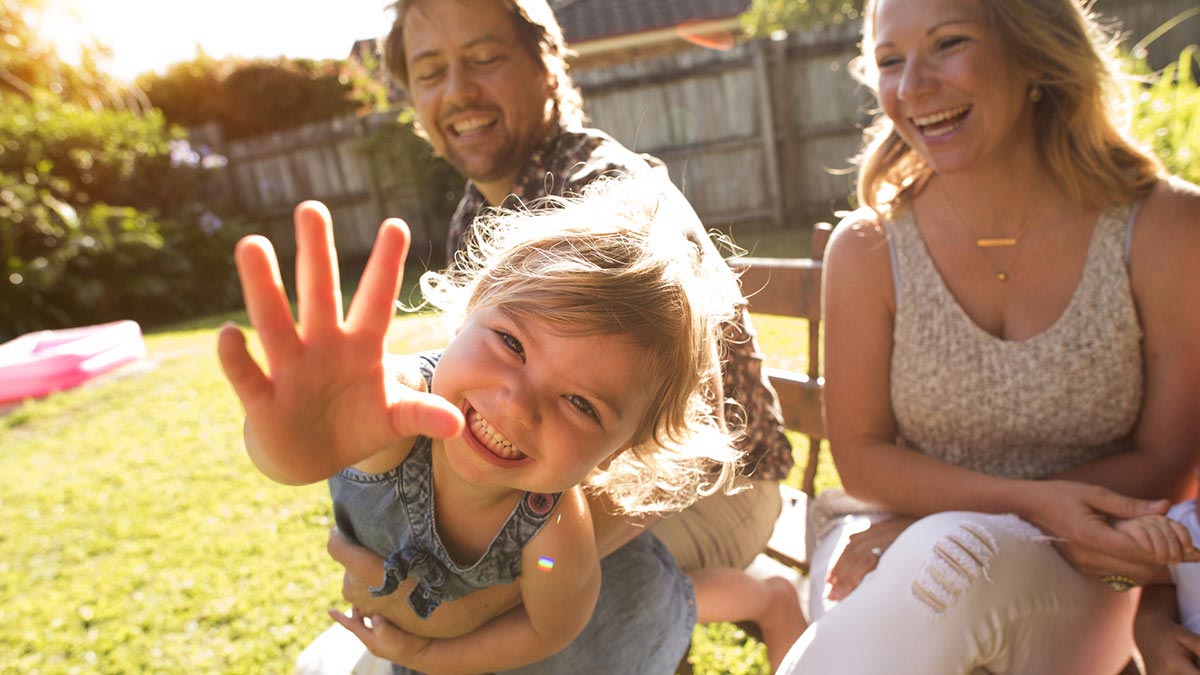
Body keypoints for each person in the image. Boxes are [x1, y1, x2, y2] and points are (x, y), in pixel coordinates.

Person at [317, 0, 807, 671]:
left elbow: (680, 450)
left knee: (575, 603)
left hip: (717, 479)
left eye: (485, 58)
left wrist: (463, 601)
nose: (458, 90)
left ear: (547, 66)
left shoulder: (609, 200)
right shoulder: (478, 213)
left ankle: (758, 596)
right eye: (430, 72)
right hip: (580, 464)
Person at [774, 0, 1200, 672]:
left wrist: (999, 517)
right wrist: (1011, 504)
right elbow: (861, 458)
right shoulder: (868, 246)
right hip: (877, 540)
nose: (912, 86)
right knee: (938, 564)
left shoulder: (1163, 227)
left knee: (949, 555)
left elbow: (1167, 457)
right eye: (890, 60)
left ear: (1034, 52)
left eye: (948, 44)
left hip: (1084, 567)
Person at [218, 178, 747, 673]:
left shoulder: (557, 533)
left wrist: (429, 657)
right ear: (474, 303)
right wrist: (291, 448)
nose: (518, 404)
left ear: (616, 452)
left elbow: (548, 628)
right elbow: (318, 436)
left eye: (581, 404)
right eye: (511, 342)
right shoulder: (398, 414)